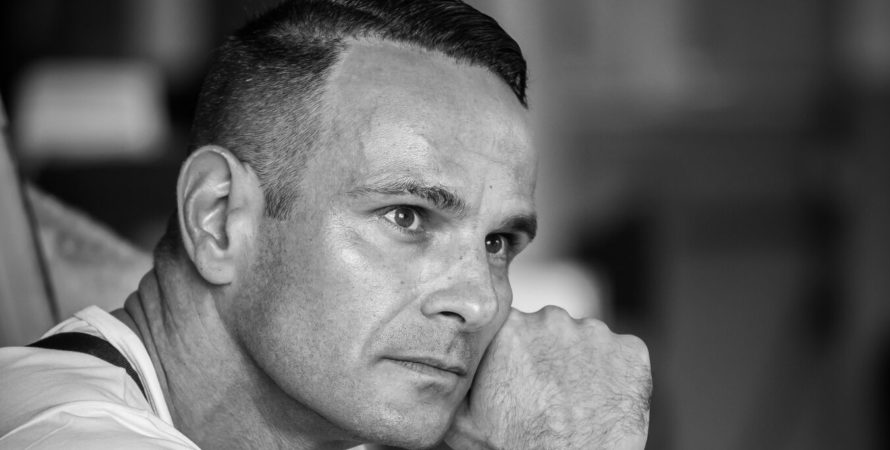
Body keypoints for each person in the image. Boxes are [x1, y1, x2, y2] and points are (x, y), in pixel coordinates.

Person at [0, 0, 652, 448]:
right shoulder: (68, 432)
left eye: (498, 242)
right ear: (218, 219)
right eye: (407, 216)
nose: (480, 302)